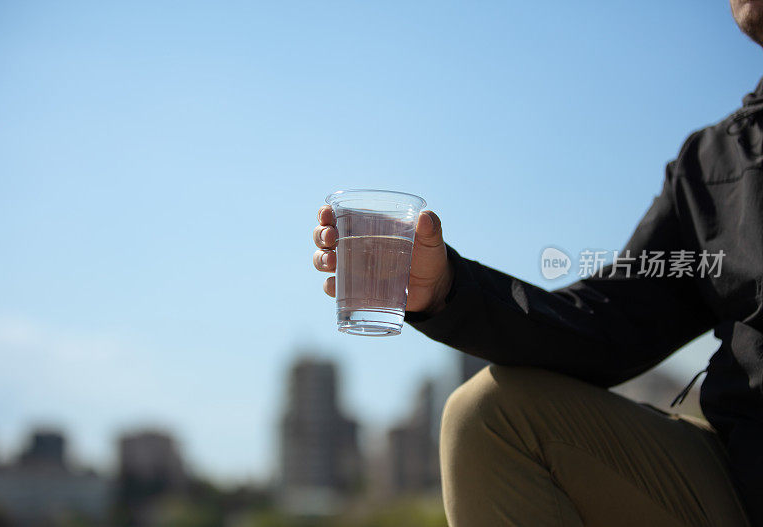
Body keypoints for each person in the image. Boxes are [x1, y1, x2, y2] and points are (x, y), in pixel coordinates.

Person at [313, 2, 763, 525]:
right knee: (489, 416)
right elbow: (608, 325)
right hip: (744, 477)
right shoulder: (714, 168)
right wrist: (445, 291)